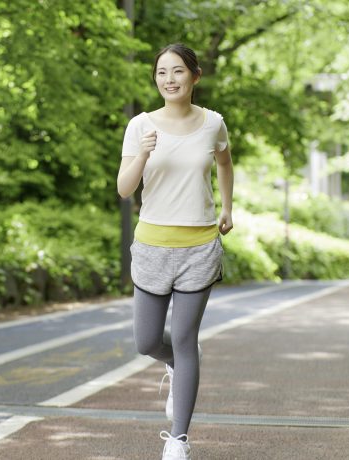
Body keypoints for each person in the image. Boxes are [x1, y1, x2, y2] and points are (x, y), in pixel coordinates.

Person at [117, 43, 233, 460]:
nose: (169, 79)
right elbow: (124, 188)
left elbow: (224, 162)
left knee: (185, 339)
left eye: (178, 71)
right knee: (147, 341)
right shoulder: (141, 125)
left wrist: (227, 207)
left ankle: (178, 440)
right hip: (152, 246)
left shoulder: (213, 123)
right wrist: (144, 152)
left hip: (199, 245)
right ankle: (177, 363)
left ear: (195, 76)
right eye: (162, 72)